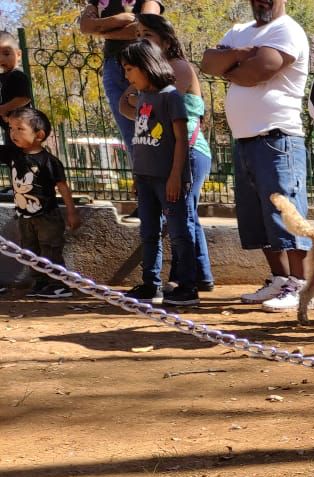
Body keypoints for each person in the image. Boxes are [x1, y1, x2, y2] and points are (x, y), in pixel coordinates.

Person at [200, 0, 311, 311]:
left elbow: (256, 73)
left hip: (279, 139)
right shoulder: (239, 31)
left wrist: (230, 65)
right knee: (257, 218)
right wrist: (237, 56)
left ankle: (301, 285)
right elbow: (208, 63)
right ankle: (279, 279)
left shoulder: (287, 30)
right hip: (245, 140)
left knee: (287, 214)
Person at [117, 39, 199, 306]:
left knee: (178, 233)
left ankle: (188, 286)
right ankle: (150, 285)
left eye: (130, 69)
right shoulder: (143, 97)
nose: (126, 75)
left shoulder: (171, 96)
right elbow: (140, 138)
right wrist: (137, 176)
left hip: (169, 178)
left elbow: (180, 140)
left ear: (146, 66)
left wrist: (176, 176)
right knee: (148, 233)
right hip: (145, 178)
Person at [138, 14, 214, 294]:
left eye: (147, 35)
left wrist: (138, 97)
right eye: (138, 35)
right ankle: (201, 276)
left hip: (191, 150)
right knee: (186, 215)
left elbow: (156, 104)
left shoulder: (179, 67)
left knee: (182, 218)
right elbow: (129, 107)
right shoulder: (151, 78)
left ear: (166, 40)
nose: (140, 40)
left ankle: (184, 279)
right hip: (169, 153)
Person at [78, 0, 162, 222]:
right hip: (112, 68)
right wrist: (119, 21)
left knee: (151, 134)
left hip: (142, 64)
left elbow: (144, 28)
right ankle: (146, 204)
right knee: (132, 137)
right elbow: (85, 26)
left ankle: (159, 203)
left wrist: (102, 30)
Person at [2, 107, 81, 298]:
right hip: (24, 217)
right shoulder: (14, 155)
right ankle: (41, 283)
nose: (13, 133)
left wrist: (71, 212)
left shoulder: (49, 161)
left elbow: (63, 188)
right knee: (31, 251)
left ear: (39, 135)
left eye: (20, 129)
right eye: (11, 128)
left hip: (47, 217)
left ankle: (59, 285)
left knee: (50, 250)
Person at [0, 32, 32, 147]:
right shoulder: (3, 76)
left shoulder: (17, 75)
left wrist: (4, 109)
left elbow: (24, 98)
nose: (1, 59)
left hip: (21, 124)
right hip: (9, 126)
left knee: (21, 152)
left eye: (6, 53)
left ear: (18, 55)